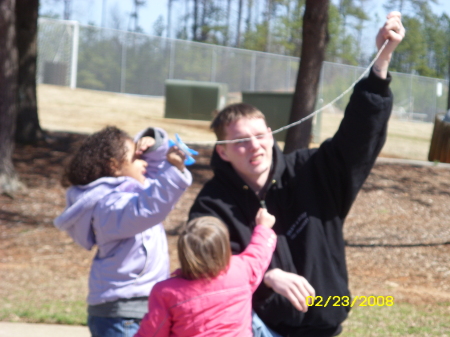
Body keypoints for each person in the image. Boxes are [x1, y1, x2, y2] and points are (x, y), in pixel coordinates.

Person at [189, 12, 405, 337]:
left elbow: (358, 137)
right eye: (241, 141)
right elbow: (204, 268)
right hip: (256, 326)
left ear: (271, 134)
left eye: (260, 136)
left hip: (323, 323)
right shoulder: (213, 204)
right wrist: (264, 276)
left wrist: (380, 65)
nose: (255, 147)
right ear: (222, 150)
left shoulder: (310, 171)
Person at [54, 126, 192, 337]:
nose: (144, 160)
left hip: (136, 308)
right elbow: (150, 208)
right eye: (136, 157)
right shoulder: (109, 206)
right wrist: (173, 168)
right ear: (114, 166)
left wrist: (153, 144)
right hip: (122, 314)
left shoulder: (135, 190)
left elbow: (154, 174)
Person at [135, 208, 279, 337]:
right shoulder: (242, 270)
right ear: (224, 247)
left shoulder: (166, 292)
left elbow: (153, 333)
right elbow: (260, 252)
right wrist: (263, 227)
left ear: (184, 252)